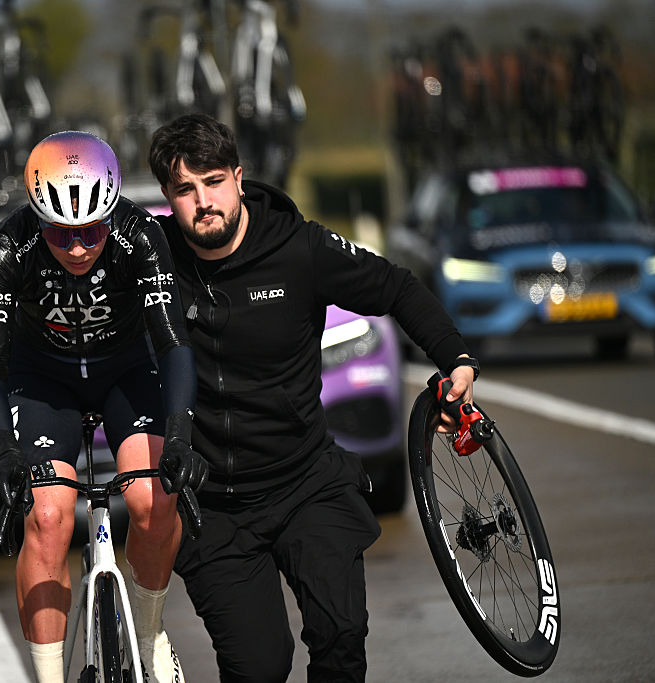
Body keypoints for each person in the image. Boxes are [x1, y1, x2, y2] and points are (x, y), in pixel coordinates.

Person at [147, 112, 480, 682]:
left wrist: (456, 360)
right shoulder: (152, 260)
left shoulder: (299, 247)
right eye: (185, 189)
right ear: (168, 197)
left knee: (341, 635)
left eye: (214, 181)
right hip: (216, 508)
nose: (203, 201)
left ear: (239, 177)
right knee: (259, 667)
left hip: (305, 483)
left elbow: (397, 287)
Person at [0, 130, 208, 683]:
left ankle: (149, 636)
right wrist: (2, 450)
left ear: (112, 213)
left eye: (91, 231)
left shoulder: (141, 236)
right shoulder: (7, 249)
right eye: (60, 234)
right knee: (48, 516)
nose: (77, 247)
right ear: (37, 219)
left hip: (126, 371)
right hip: (43, 381)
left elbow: (174, 344)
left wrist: (178, 435)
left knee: (152, 498)